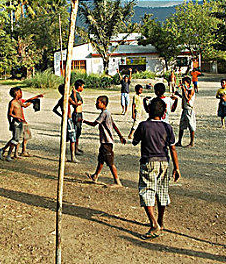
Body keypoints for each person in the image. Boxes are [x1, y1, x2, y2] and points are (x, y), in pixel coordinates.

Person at [132, 98, 180, 239]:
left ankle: (154, 224)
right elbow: (173, 149)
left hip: (148, 162)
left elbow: (135, 141)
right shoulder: (167, 127)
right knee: (162, 191)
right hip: (164, 162)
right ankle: (160, 221)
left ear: (148, 110)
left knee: (147, 191)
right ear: (164, 112)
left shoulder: (143, 126)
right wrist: (176, 168)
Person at [82, 96, 126, 187]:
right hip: (104, 142)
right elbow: (113, 124)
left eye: (98, 102)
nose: (96, 104)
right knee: (101, 159)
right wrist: (120, 136)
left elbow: (94, 123)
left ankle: (117, 181)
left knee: (110, 162)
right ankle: (95, 176)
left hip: (107, 142)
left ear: (103, 103)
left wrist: (83, 120)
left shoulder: (104, 114)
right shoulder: (107, 113)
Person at [0, 87, 43, 161]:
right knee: (15, 140)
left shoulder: (18, 101)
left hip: (21, 122)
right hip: (16, 123)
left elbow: (24, 105)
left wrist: (33, 101)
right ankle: (7, 154)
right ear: (16, 94)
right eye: (20, 92)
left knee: (17, 139)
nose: (22, 93)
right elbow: (9, 114)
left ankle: (8, 153)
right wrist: (12, 121)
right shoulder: (12, 103)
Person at [53, 84, 78, 163]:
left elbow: (54, 109)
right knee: (72, 138)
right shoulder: (67, 98)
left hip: (65, 119)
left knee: (64, 138)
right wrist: (74, 94)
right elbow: (75, 104)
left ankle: (63, 156)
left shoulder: (61, 99)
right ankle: (72, 157)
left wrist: (62, 115)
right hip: (69, 120)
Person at [176, 77, 196, 147]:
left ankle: (191, 142)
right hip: (184, 109)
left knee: (191, 126)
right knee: (181, 126)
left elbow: (188, 99)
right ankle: (179, 141)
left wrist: (184, 91)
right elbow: (184, 97)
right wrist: (178, 94)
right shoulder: (187, 89)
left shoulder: (191, 89)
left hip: (189, 109)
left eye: (184, 83)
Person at [69, 79, 85, 155]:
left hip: (80, 113)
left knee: (78, 132)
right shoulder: (74, 95)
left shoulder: (78, 94)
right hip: (76, 114)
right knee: (76, 131)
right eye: (82, 86)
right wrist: (74, 94)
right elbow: (75, 104)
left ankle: (76, 147)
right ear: (79, 86)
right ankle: (74, 149)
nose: (83, 88)